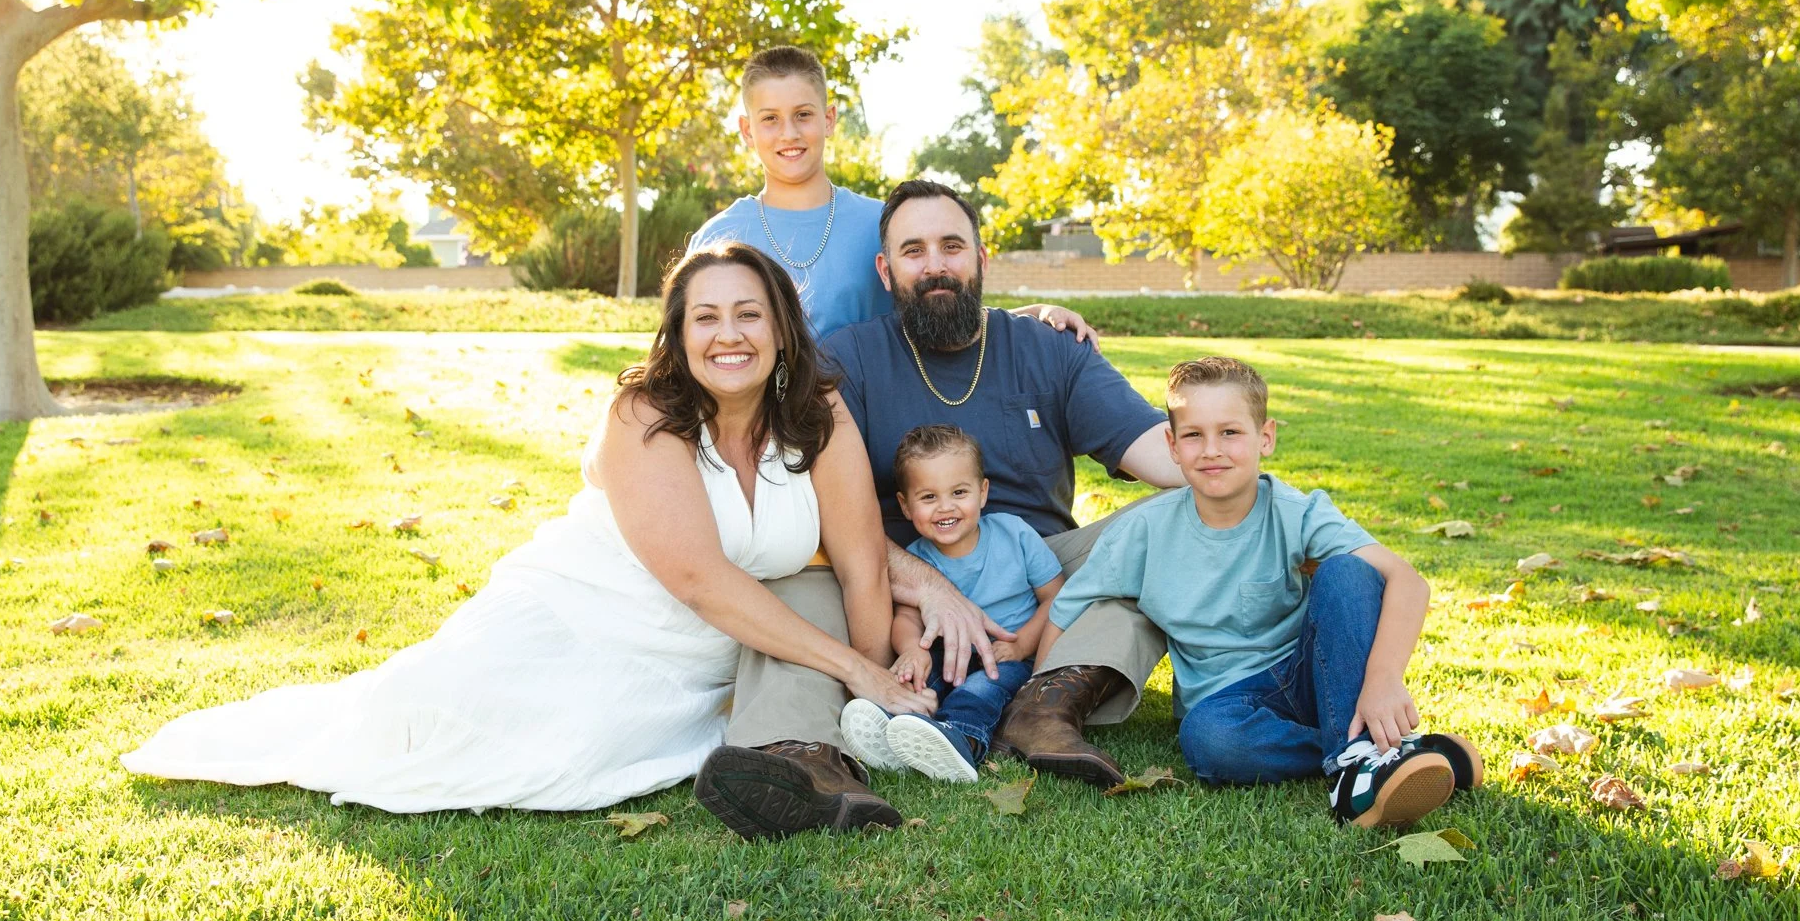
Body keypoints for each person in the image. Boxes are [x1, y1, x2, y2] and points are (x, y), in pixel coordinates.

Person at [121, 245, 931, 817]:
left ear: (783, 329)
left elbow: (861, 562)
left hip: (706, 654)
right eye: (707, 316)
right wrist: (856, 667)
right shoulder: (646, 412)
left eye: (750, 314)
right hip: (581, 608)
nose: (729, 335)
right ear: (679, 335)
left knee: (593, 744)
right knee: (424, 716)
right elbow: (696, 577)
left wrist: (883, 683)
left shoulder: (817, 413)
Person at [692, 179, 1189, 839]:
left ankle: (1044, 705)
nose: (935, 266)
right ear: (886, 269)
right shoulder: (847, 358)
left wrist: (1248, 488)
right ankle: (799, 757)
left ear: (982, 258)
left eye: (952, 246)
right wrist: (921, 586)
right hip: (891, 576)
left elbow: (1168, 459)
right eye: (914, 250)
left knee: (1173, 525)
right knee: (795, 579)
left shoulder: (1048, 347)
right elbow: (806, 501)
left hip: (1035, 578)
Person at [1038, 357, 1484, 827]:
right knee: (1208, 742)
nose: (1212, 450)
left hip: (1315, 674)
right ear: (1171, 444)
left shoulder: (1295, 511)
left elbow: (1408, 582)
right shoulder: (1143, 531)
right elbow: (1068, 608)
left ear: (1265, 437)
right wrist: (1040, 708)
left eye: (1230, 432)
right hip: (1226, 704)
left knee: (1348, 573)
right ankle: (1379, 752)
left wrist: (1383, 681)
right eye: (1193, 435)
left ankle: (1357, 773)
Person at [687, 45, 1099, 342]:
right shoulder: (718, 240)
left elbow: (941, 305)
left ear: (829, 120)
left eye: (804, 115)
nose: (789, 133)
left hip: (870, 435)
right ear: (747, 130)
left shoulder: (885, 222)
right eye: (770, 119)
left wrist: (1034, 316)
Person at [838, 424, 1064, 783]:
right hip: (945, 655)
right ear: (905, 505)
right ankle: (891, 728)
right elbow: (907, 617)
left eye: (959, 492)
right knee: (917, 682)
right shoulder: (916, 561)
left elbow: (1055, 597)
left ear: (983, 491)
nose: (946, 507)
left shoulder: (1015, 534)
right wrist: (913, 649)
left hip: (1004, 655)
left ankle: (961, 739)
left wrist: (1022, 644)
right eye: (928, 497)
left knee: (981, 689)